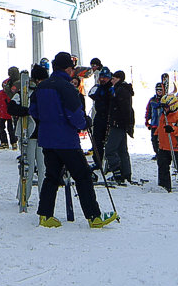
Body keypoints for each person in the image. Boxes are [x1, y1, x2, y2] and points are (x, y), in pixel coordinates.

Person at [30, 51, 118, 228]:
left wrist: (47, 121)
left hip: (47, 139)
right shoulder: (67, 87)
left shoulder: (42, 86)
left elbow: (33, 110)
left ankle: (45, 216)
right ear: (68, 69)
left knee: (51, 176)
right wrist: (84, 122)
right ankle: (94, 217)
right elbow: (74, 114)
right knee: (83, 176)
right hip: (66, 140)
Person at [153, 93, 178, 191]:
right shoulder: (163, 116)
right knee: (162, 166)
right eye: (163, 107)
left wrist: (173, 129)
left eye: (166, 107)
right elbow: (160, 128)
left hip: (175, 147)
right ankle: (164, 185)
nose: (164, 109)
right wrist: (156, 135)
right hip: (163, 147)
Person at [104, 70, 135, 184]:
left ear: (119, 79)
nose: (111, 80)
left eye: (114, 78)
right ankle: (125, 174)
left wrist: (124, 123)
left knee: (110, 149)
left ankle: (117, 173)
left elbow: (125, 109)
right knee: (122, 150)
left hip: (118, 124)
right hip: (121, 124)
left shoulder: (120, 90)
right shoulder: (122, 89)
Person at [88, 67, 114, 172]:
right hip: (99, 117)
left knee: (108, 142)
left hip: (108, 117)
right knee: (97, 140)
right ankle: (97, 161)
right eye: (101, 77)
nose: (103, 79)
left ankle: (110, 163)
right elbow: (91, 94)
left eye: (105, 78)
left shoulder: (111, 89)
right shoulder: (99, 88)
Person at [0, 78, 18, 149]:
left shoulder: (10, 94)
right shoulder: (0, 93)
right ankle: (4, 142)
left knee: (11, 130)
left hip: (9, 115)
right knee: (1, 129)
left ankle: (13, 142)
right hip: (2, 114)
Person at [144, 82, 167, 161]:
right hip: (154, 124)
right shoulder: (152, 100)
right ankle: (157, 153)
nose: (159, 92)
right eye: (158, 90)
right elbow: (148, 111)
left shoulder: (166, 100)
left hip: (163, 125)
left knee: (162, 140)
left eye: (161, 90)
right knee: (154, 140)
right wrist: (147, 121)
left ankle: (162, 153)